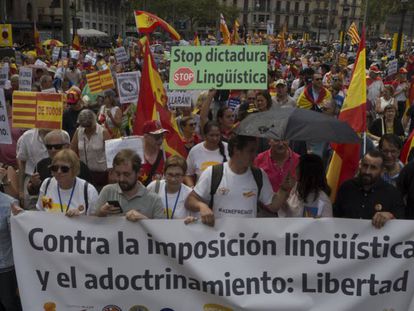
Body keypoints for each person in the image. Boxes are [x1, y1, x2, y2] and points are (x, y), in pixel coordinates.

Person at [185, 135, 276, 226]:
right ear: (236, 150)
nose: (255, 155)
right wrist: (202, 206)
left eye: (255, 151)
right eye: (251, 151)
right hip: (219, 238)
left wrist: (284, 189)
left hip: (247, 238)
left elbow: (273, 206)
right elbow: (190, 201)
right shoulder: (213, 172)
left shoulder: (259, 175)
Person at [334, 150, 405, 228]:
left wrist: (390, 216)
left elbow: (401, 224)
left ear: (382, 171)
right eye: (365, 166)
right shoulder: (346, 188)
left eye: (373, 168)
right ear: (360, 165)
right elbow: (334, 216)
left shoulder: (393, 194)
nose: (367, 171)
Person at [92, 149, 164, 220]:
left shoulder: (154, 200)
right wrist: (100, 213)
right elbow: (90, 223)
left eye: (126, 174)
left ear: (139, 173)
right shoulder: (107, 191)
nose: (121, 179)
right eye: (118, 174)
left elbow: (160, 230)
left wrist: (144, 221)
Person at [71, 109, 110, 191]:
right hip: (83, 174)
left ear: (94, 121)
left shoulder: (103, 132)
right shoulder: (78, 131)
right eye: (84, 126)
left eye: (89, 126)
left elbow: (110, 154)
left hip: (101, 175)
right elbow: (72, 150)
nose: (87, 129)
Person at [147, 155, 194, 220]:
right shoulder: (154, 186)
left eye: (177, 175)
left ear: (184, 175)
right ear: (164, 173)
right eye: (170, 174)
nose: (173, 179)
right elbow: (143, 210)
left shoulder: (190, 194)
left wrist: (192, 220)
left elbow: (196, 220)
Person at [184, 121, 229, 187]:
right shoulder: (195, 151)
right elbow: (187, 174)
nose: (215, 138)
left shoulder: (228, 148)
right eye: (211, 135)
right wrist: (191, 187)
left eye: (217, 135)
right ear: (204, 136)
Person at [0, 192, 22, 311]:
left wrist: (21, 218)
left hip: (5, 270)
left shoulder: (9, 203)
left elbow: (18, 239)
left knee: (9, 305)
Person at [140, 120, 169, 186]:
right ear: (146, 137)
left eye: (162, 136)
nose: (161, 140)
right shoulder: (136, 157)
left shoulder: (167, 157)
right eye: (157, 137)